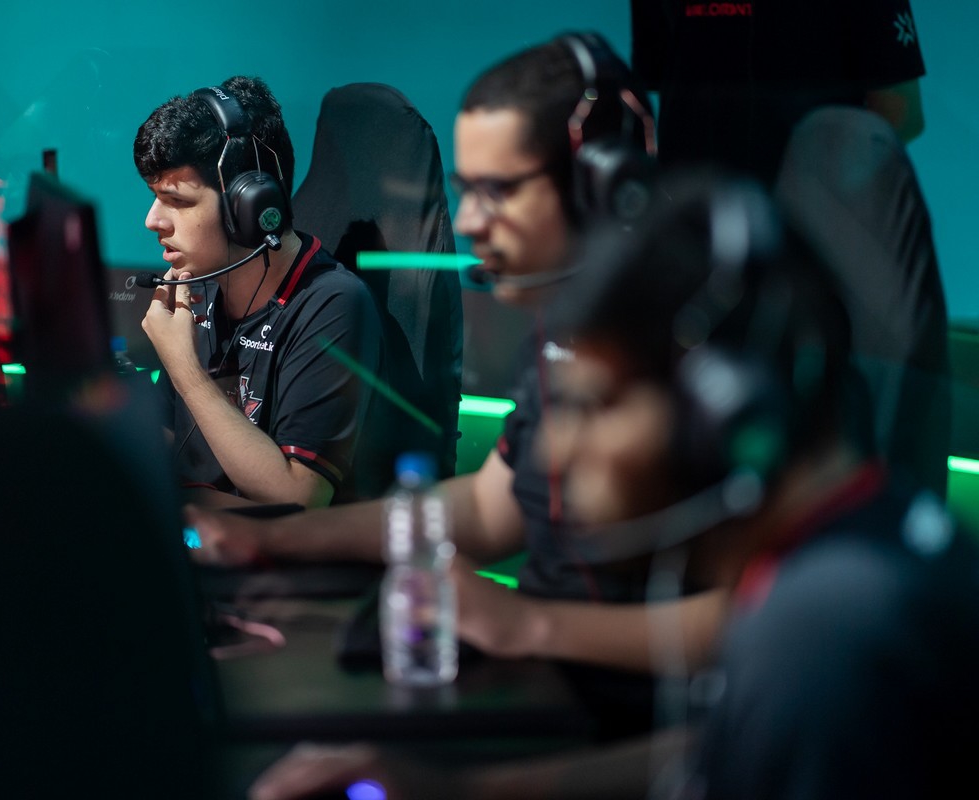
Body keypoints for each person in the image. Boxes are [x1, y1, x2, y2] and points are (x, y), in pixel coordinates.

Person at [246, 172, 979, 800]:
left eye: (597, 406)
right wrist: (466, 792)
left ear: (720, 416)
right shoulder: (856, 550)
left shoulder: (824, 630)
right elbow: (717, 753)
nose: (558, 448)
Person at [187, 36, 727, 709]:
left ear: (600, 185)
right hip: (544, 676)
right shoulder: (564, 337)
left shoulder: (707, 350)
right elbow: (489, 508)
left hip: (641, 713)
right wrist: (271, 537)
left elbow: (764, 613)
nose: (468, 221)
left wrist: (527, 624)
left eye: (498, 191)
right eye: (467, 191)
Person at [134, 76, 383, 508]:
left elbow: (298, 497)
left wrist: (184, 367)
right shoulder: (199, 283)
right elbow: (166, 438)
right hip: (196, 535)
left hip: (269, 549)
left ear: (248, 206)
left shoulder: (332, 304)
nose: (152, 220)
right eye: (155, 197)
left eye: (177, 200)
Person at [630, 0, 927, 186]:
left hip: (812, 242)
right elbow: (658, 91)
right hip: (692, 231)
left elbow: (900, 115)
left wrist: (830, 206)